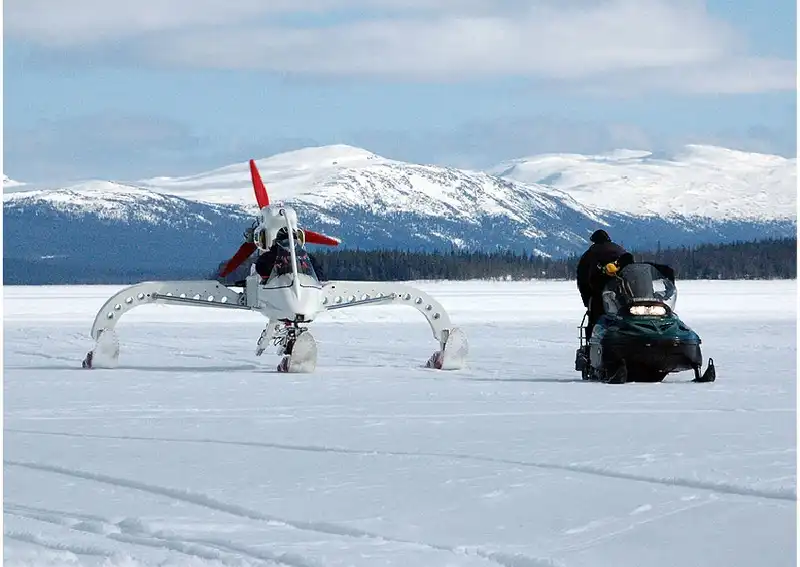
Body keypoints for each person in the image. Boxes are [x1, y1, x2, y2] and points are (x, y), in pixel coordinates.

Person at [576, 229, 632, 339]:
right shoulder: (619, 250)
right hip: (624, 292)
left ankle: (592, 346)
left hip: (599, 293)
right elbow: (632, 270)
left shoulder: (590, 253)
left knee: (596, 321)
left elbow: (582, 278)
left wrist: (587, 300)